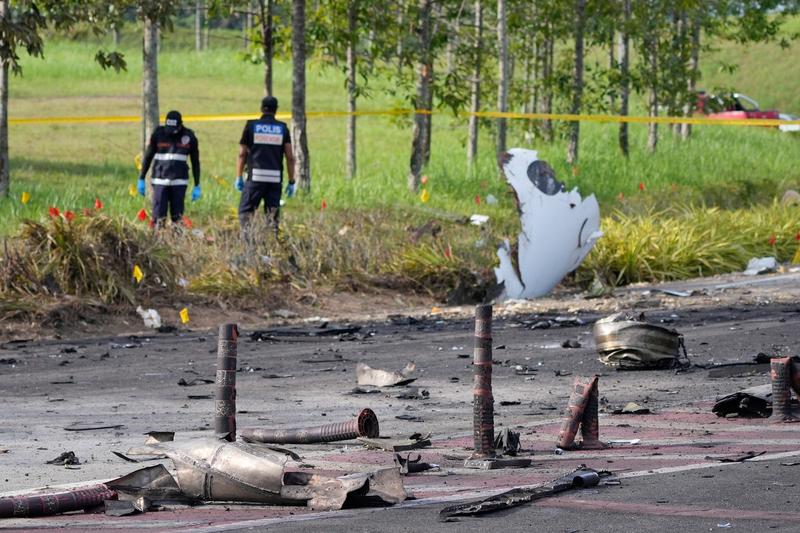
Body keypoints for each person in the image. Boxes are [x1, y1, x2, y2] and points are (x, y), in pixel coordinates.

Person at [236, 96, 295, 242]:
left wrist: (238, 176)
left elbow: (242, 153)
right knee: (272, 216)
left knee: (245, 213)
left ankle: (249, 246)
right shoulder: (283, 128)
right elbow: (290, 157)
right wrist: (292, 180)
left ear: (262, 108)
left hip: (255, 178)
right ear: (276, 110)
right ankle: (272, 246)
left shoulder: (251, 126)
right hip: (275, 180)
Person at [137, 110, 201, 227]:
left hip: (179, 182)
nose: (171, 133)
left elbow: (195, 161)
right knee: (158, 218)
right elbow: (148, 156)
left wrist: (197, 184)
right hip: (160, 181)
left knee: (177, 218)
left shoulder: (189, 136)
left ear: (180, 125)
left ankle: (176, 241)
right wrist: (141, 177)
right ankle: (157, 241)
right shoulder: (158, 134)